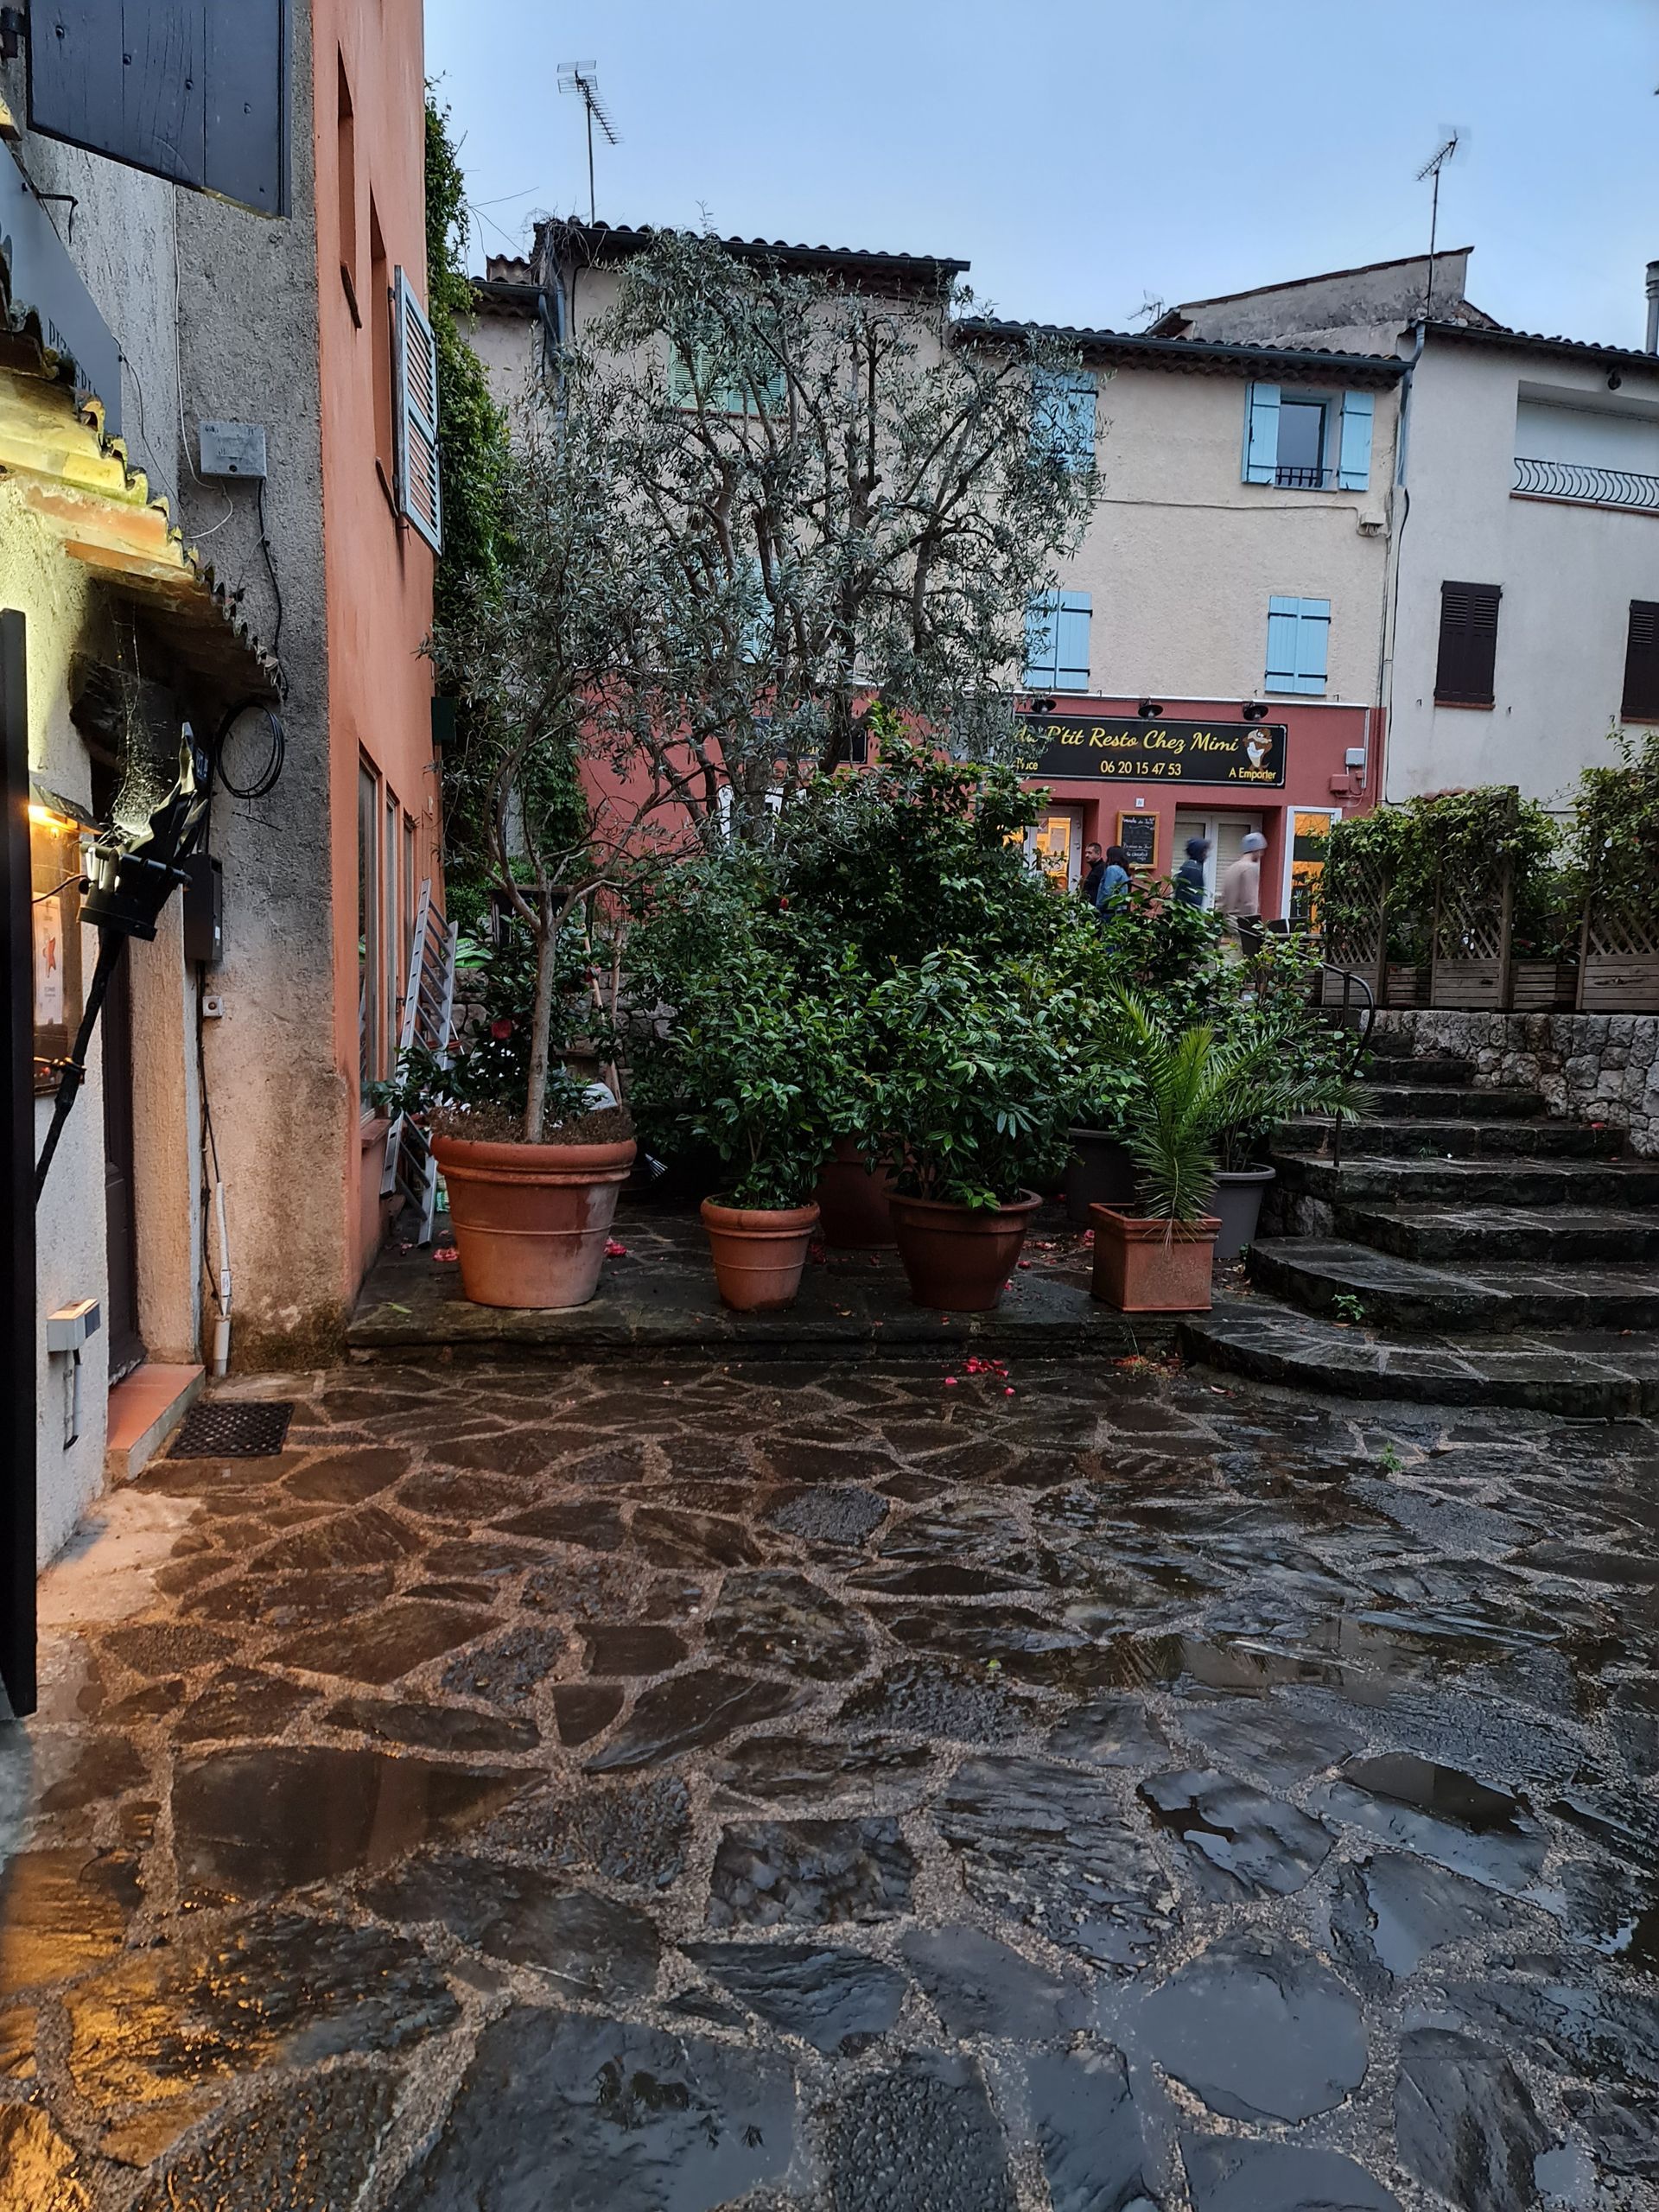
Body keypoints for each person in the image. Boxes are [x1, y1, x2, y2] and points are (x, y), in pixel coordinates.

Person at [1217, 830, 1268, 955]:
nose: (1261, 854)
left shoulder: (1232, 867)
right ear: (1256, 849)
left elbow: (1223, 900)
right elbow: (1250, 902)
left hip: (1228, 924)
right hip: (1242, 926)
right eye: (1261, 850)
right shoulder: (1250, 868)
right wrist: (1255, 928)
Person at [1094, 844, 1132, 917]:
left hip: (1109, 911)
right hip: (1120, 911)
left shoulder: (1112, 869)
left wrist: (1098, 908)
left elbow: (1108, 891)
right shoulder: (1124, 871)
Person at [1174, 835, 1211, 909]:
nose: (1206, 855)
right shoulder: (1193, 868)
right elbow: (1194, 897)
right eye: (1204, 851)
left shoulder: (1187, 865)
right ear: (1198, 852)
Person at [1078, 841, 1105, 906]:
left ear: (1098, 854)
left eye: (1090, 853)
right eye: (1086, 853)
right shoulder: (1096, 868)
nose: (1086, 855)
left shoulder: (1101, 869)